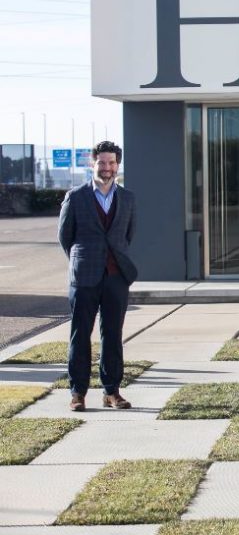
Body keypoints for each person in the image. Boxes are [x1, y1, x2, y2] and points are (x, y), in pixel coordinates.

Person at [58, 141, 138, 412]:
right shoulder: (76, 197)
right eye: (102, 162)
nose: (107, 168)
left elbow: (127, 235)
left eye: (112, 163)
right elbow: (65, 237)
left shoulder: (127, 198)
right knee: (80, 334)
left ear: (118, 165)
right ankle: (78, 392)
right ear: (93, 163)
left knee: (113, 334)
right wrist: (83, 259)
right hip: (84, 277)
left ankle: (112, 391)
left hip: (116, 276)